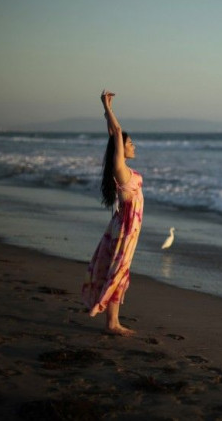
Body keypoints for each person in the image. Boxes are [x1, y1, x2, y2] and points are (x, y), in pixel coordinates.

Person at [81, 90, 143, 336]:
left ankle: (113, 321)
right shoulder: (120, 170)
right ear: (121, 149)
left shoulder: (123, 169)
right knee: (118, 271)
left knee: (117, 270)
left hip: (125, 227)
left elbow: (112, 136)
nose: (132, 145)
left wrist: (106, 110)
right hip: (126, 229)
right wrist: (107, 108)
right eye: (130, 143)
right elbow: (116, 134)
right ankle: (112, 323)